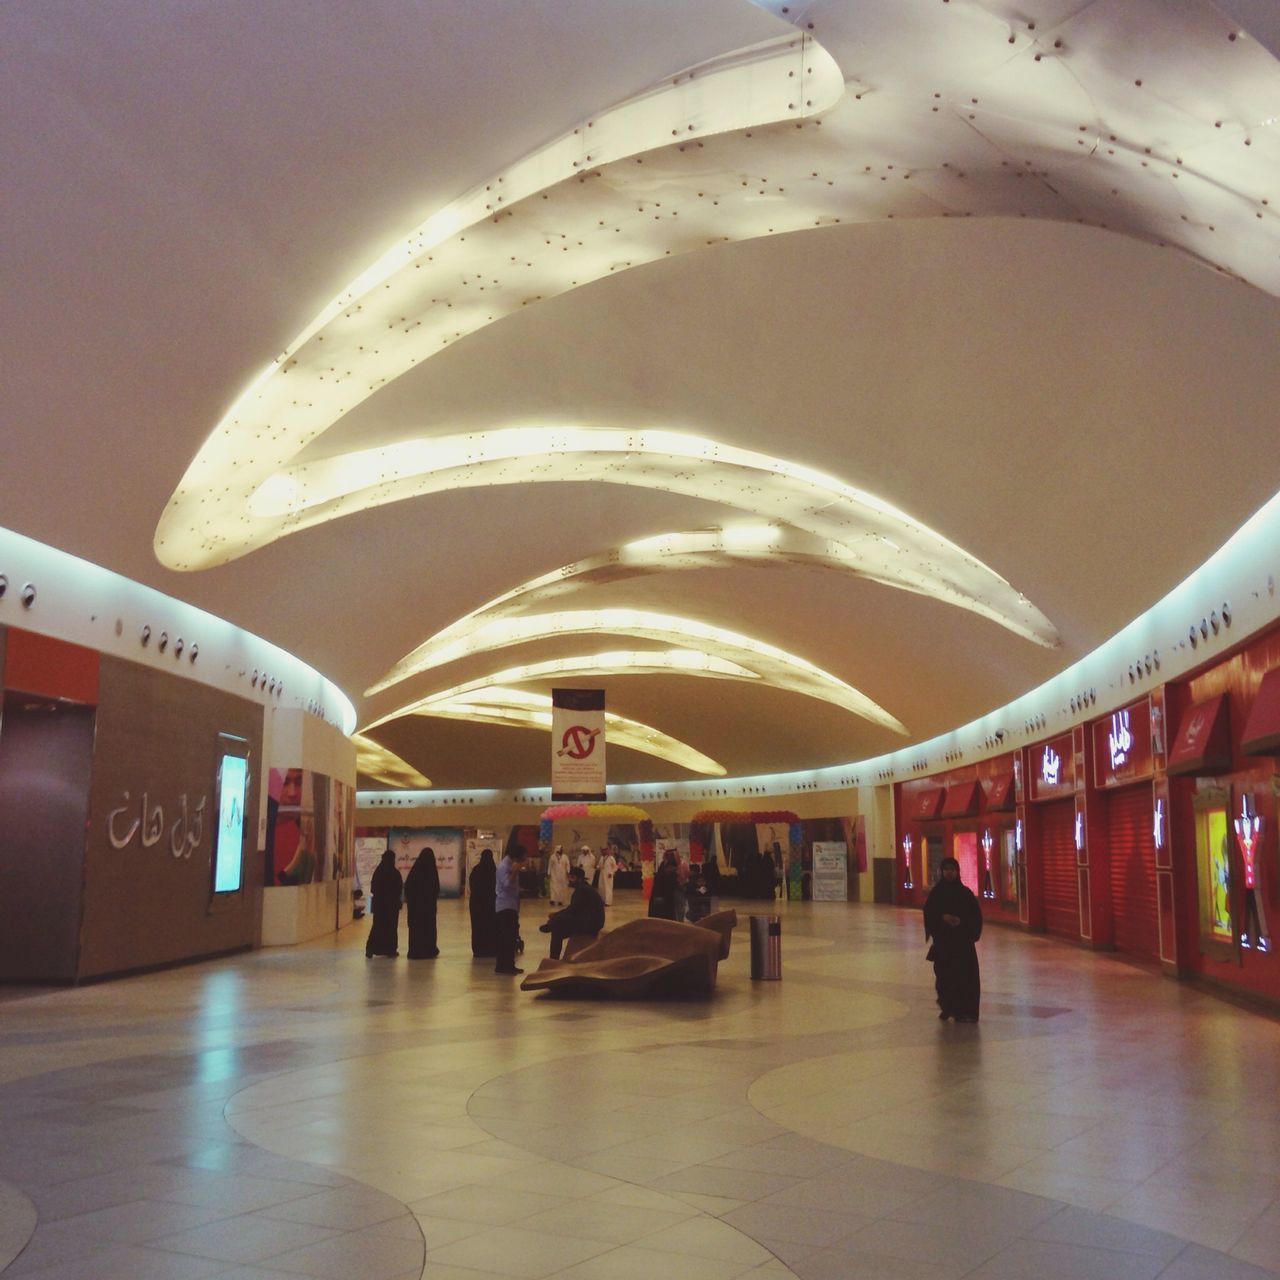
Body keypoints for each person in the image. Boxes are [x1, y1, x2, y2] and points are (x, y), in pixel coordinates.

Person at [923, 856, 983, 1022]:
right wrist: (943, 918)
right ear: (942, 872)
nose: (949, 873)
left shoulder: (965, 894)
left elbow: (975, 916)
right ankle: (947, 1006)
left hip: (962, 944)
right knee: (944, 976)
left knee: (964, 977)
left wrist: (961, 922)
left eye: (952, 870)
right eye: (946, 870)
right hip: (944, 944)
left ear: (957, 872)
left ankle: (963, 1010)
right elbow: (929, 913)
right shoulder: (937, 894)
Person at [538, 865, 605, 958]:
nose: (569, 879)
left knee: (558, 920)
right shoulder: (582, 888)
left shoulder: (583, 890)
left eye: (572, 878)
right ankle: (554, 958)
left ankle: (550, 925)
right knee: (557, 930)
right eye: (569, 877)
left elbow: (573, 909)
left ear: (580, 879)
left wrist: (556, 915)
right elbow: (575, 909)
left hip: (592, 923)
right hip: (588, 920)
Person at [494, 846, 528, 975]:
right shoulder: (504, 866)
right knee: (506, 937)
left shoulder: (512, 864)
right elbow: (507, 885)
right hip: (505, 906)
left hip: (512, 905)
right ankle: (502, 965)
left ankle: (509, 964)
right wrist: (515, 872)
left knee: (511, 937)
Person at [403, 847, 440, 959]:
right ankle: (428, 950)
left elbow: (408, 888)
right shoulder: (432, 872)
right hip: (428, 908)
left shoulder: (414, 872)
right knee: (428, 928)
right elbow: (436, 889)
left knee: (416, 929)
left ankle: (415, 951)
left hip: (415, 908)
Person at [365, 849, 403, 958]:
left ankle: (371, 948)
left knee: (377, 927)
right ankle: (390, 950)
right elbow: (399, 889)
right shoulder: (395, 873)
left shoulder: (378, 872)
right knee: (391, 928)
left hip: (380, 906)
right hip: (392, 907)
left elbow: (373, 888)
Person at [469, 847, 497, 957]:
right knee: (490, 925)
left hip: (476, 903)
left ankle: (479, 949)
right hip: (491, 903)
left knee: (478, 926)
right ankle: (490, 948)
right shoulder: (493, 870)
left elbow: (472, 885)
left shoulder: (476, 870)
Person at [648, 849, 680, 920]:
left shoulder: (671, 866)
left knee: (663, 911)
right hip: (660, 892)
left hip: (664, 893)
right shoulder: (664, 864)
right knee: (660, 910)